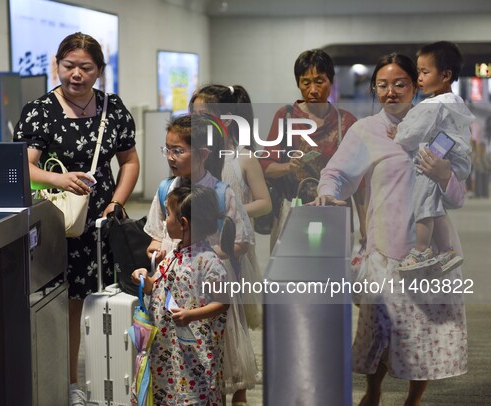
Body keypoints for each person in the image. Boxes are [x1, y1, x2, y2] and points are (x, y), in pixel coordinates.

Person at [310, 53, 468, 406]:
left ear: (416, 85)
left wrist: (444, 174)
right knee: (378, 327)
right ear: (374, 89)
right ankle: (375, 390)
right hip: (384, 248)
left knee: (423, 334)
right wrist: (327, 194)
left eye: (400, 84)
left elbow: (457, 197)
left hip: (431, 256)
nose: (391, 91)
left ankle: (413, 399)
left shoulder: (437, 126)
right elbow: (336, 174)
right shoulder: (365, 130)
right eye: (382, 85)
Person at [13, 32, 139, 406]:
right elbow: (25, 166)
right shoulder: (40, 111)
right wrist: (59, 178)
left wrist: (116, 202)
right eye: (69, 66)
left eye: (86, 67)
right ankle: (69, 384)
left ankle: (114, 379)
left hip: (103, 219)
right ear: (57, 65)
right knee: (65, 305)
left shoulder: (112, 108)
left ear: (99, 71)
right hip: (60, 221)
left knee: (107, 298)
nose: (76, 75)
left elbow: (129, 160)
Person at [143, 114, 258, 405]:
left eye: (178, 150)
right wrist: (156, 250)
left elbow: (241, 241)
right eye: (167, 149)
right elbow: (156, 234)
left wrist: (203, 256)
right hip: (172, 284)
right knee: (172, 353)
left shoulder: (221, 192)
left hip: (206, 287)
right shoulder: (165, 189)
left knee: (207, 355)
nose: (170, 156)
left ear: (203, 153)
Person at [132, 185, 231, 405]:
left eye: (168, 214)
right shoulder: (173, 255)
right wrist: (145, 280)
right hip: (168, 347)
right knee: (168, 390)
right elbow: (156, 287)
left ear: (183, 223)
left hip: (193, 352)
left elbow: (223, 302)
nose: (165, 220)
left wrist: (192, 315)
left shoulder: (209, 263)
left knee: (193, 395)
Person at [258, 49, 366, 250]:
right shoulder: (286, 117)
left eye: (319, 81)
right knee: (293, 275)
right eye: (306, 83)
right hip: (294, 210)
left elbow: (359, 182)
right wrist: (288, 167)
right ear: (298, 83)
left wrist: (365, 230)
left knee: (333, 276)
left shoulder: (346, 122)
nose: (313, 90)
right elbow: (265, 166)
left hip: (336, 212)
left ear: (331, 81)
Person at [190, 84, 270, 331]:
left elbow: (264, 203)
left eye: (204, 115)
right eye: (193, 115)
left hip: (232, 247)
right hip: (199, 245)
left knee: (232, 319)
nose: (196, 122)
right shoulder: (194, 156)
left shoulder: (243, 158)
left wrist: (233, 210)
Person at [394, 41, 474, 273]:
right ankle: (446, 250)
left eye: (425, 72)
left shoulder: (434, 105)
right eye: (418, 71)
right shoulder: (455, 102)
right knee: (434, 204)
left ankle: (420, 250)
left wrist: (397, 132)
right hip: (453, 158)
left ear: (446, 75)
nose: (419, 77)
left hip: (434, 160)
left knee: (423, 202)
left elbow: (411, 135)